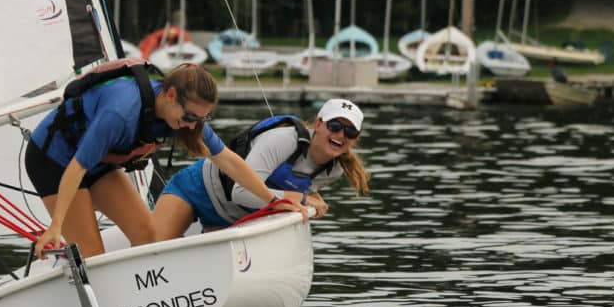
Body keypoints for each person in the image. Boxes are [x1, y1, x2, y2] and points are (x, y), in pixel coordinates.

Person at [24, 62, 304, 259]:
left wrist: (272, 200)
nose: (193, 126)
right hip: (55, 160)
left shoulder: (181, 116)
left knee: (149, 236)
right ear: (170, 95)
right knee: (92, 253)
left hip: (97, 162)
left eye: (202, 119)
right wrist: (56, 226)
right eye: (191, 117)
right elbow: (76, 169)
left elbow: (227, 160)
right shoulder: (121, 112)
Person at [153, 98, 370, 240]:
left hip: (232, 218)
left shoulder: (334, 171)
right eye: (335, 126)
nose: (341, 135)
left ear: (356, 139)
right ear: (319, 124)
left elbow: (293, 184)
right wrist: (301, 200)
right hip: (197, 189)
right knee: (151, 247)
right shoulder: (283, 140)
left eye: (350, 132)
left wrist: (310, 195)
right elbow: (241, 193)